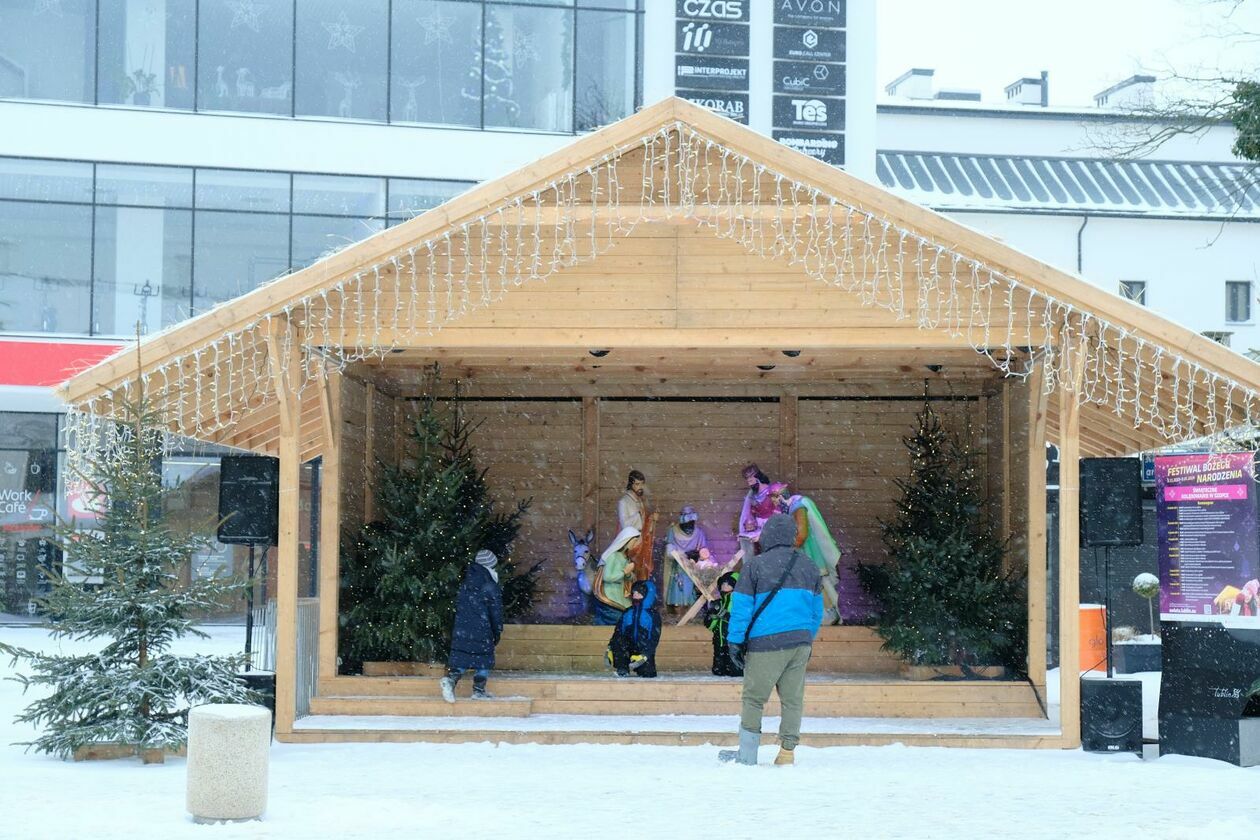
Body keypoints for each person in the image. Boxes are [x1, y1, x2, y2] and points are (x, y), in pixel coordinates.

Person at [719, 514, 823, 766]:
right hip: (799, 643)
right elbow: (816, 612)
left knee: (754, 699)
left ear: (766, 537)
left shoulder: (755, 565)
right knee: (792, 699)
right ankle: (787, 752)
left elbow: (741, 606)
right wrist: (806, 637)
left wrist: (734, 641)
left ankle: (747, 755)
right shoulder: (810, 566)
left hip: (765, 643)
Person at [770, 482, 842, 625]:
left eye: (774, 498)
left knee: (818, 585)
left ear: (780, 496)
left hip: (808, 553)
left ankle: (829, 613)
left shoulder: (798, 507)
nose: (774, 503)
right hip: (803, 554)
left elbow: (802, 534)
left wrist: (789, 546)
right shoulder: (792, 508)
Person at [440, 549, 504, 702]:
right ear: (490, 566)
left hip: (463, 628)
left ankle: (450, 681)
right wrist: (497, 631)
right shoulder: (490, 585)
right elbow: (495, 612)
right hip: (483, 628)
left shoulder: (466, 583)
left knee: (462, 657)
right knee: (484, 659)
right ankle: (478, 691)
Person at [606, 580, 662, 677]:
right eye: (634, 592)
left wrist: (645, 654)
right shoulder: (627, 612)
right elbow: (618, 632)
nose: (635, 595)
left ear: (647, 595)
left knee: (647, 673)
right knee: (620, 643)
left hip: (644, 650)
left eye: (639, 593)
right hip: (627, 647)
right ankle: (622, 669)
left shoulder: (653, 615)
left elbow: (654, 638)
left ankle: (644, 668)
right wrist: (610, 648)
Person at [592, 526, 639, 626]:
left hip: (621, 595)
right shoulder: (612, 556)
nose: (635, 544)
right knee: (620, 617)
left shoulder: (626, 558)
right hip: (611, 594)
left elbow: (627, 579)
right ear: (626, 540)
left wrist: (629, 575)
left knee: (631, 615)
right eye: (634, 541)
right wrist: (624, 572)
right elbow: (607, 577)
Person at [664, 505, 708, 612]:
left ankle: (689, 611)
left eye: (691, 523)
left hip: (693, 567)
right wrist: (682, 554)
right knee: (678, 590)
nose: (689, 525)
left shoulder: (699, 532)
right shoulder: (673, 531)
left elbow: (704, 550)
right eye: (687, 523)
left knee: (691, 591)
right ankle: (677, 610)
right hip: (678, 567)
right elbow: (669, 550)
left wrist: (698, 555)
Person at [618, 470, 658, 582]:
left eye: (642, 484)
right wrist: (638, 516)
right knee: (629, 572)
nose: (640, 487)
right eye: (637, 484)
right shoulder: (624, 502)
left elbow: (644, 521)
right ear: (631, 484)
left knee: (641, 572)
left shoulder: (639, 501)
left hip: (641, 542)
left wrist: (651, 519)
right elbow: (624, 524)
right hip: (629, 543)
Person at [703, 571, 743, 677]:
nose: (725, 586)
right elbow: (710, 625)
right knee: (718, 670)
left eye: (728, 584)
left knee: (735, 671)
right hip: (719, 641)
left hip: (734, 642)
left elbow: (741, 619)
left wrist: (725, 615)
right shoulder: (719, 602)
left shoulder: (739, 602)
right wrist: (712, 616)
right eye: (723, 584)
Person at [738, 464, 776, 560]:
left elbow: (778, 515)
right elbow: (750, 515)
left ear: (758, 478)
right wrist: (749, 526)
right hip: (757, 532)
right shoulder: (752, 496)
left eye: (751, 481)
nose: (750, 484)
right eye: (748, 482)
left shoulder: (772, 492)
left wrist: (764, 533)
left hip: (772, 529)